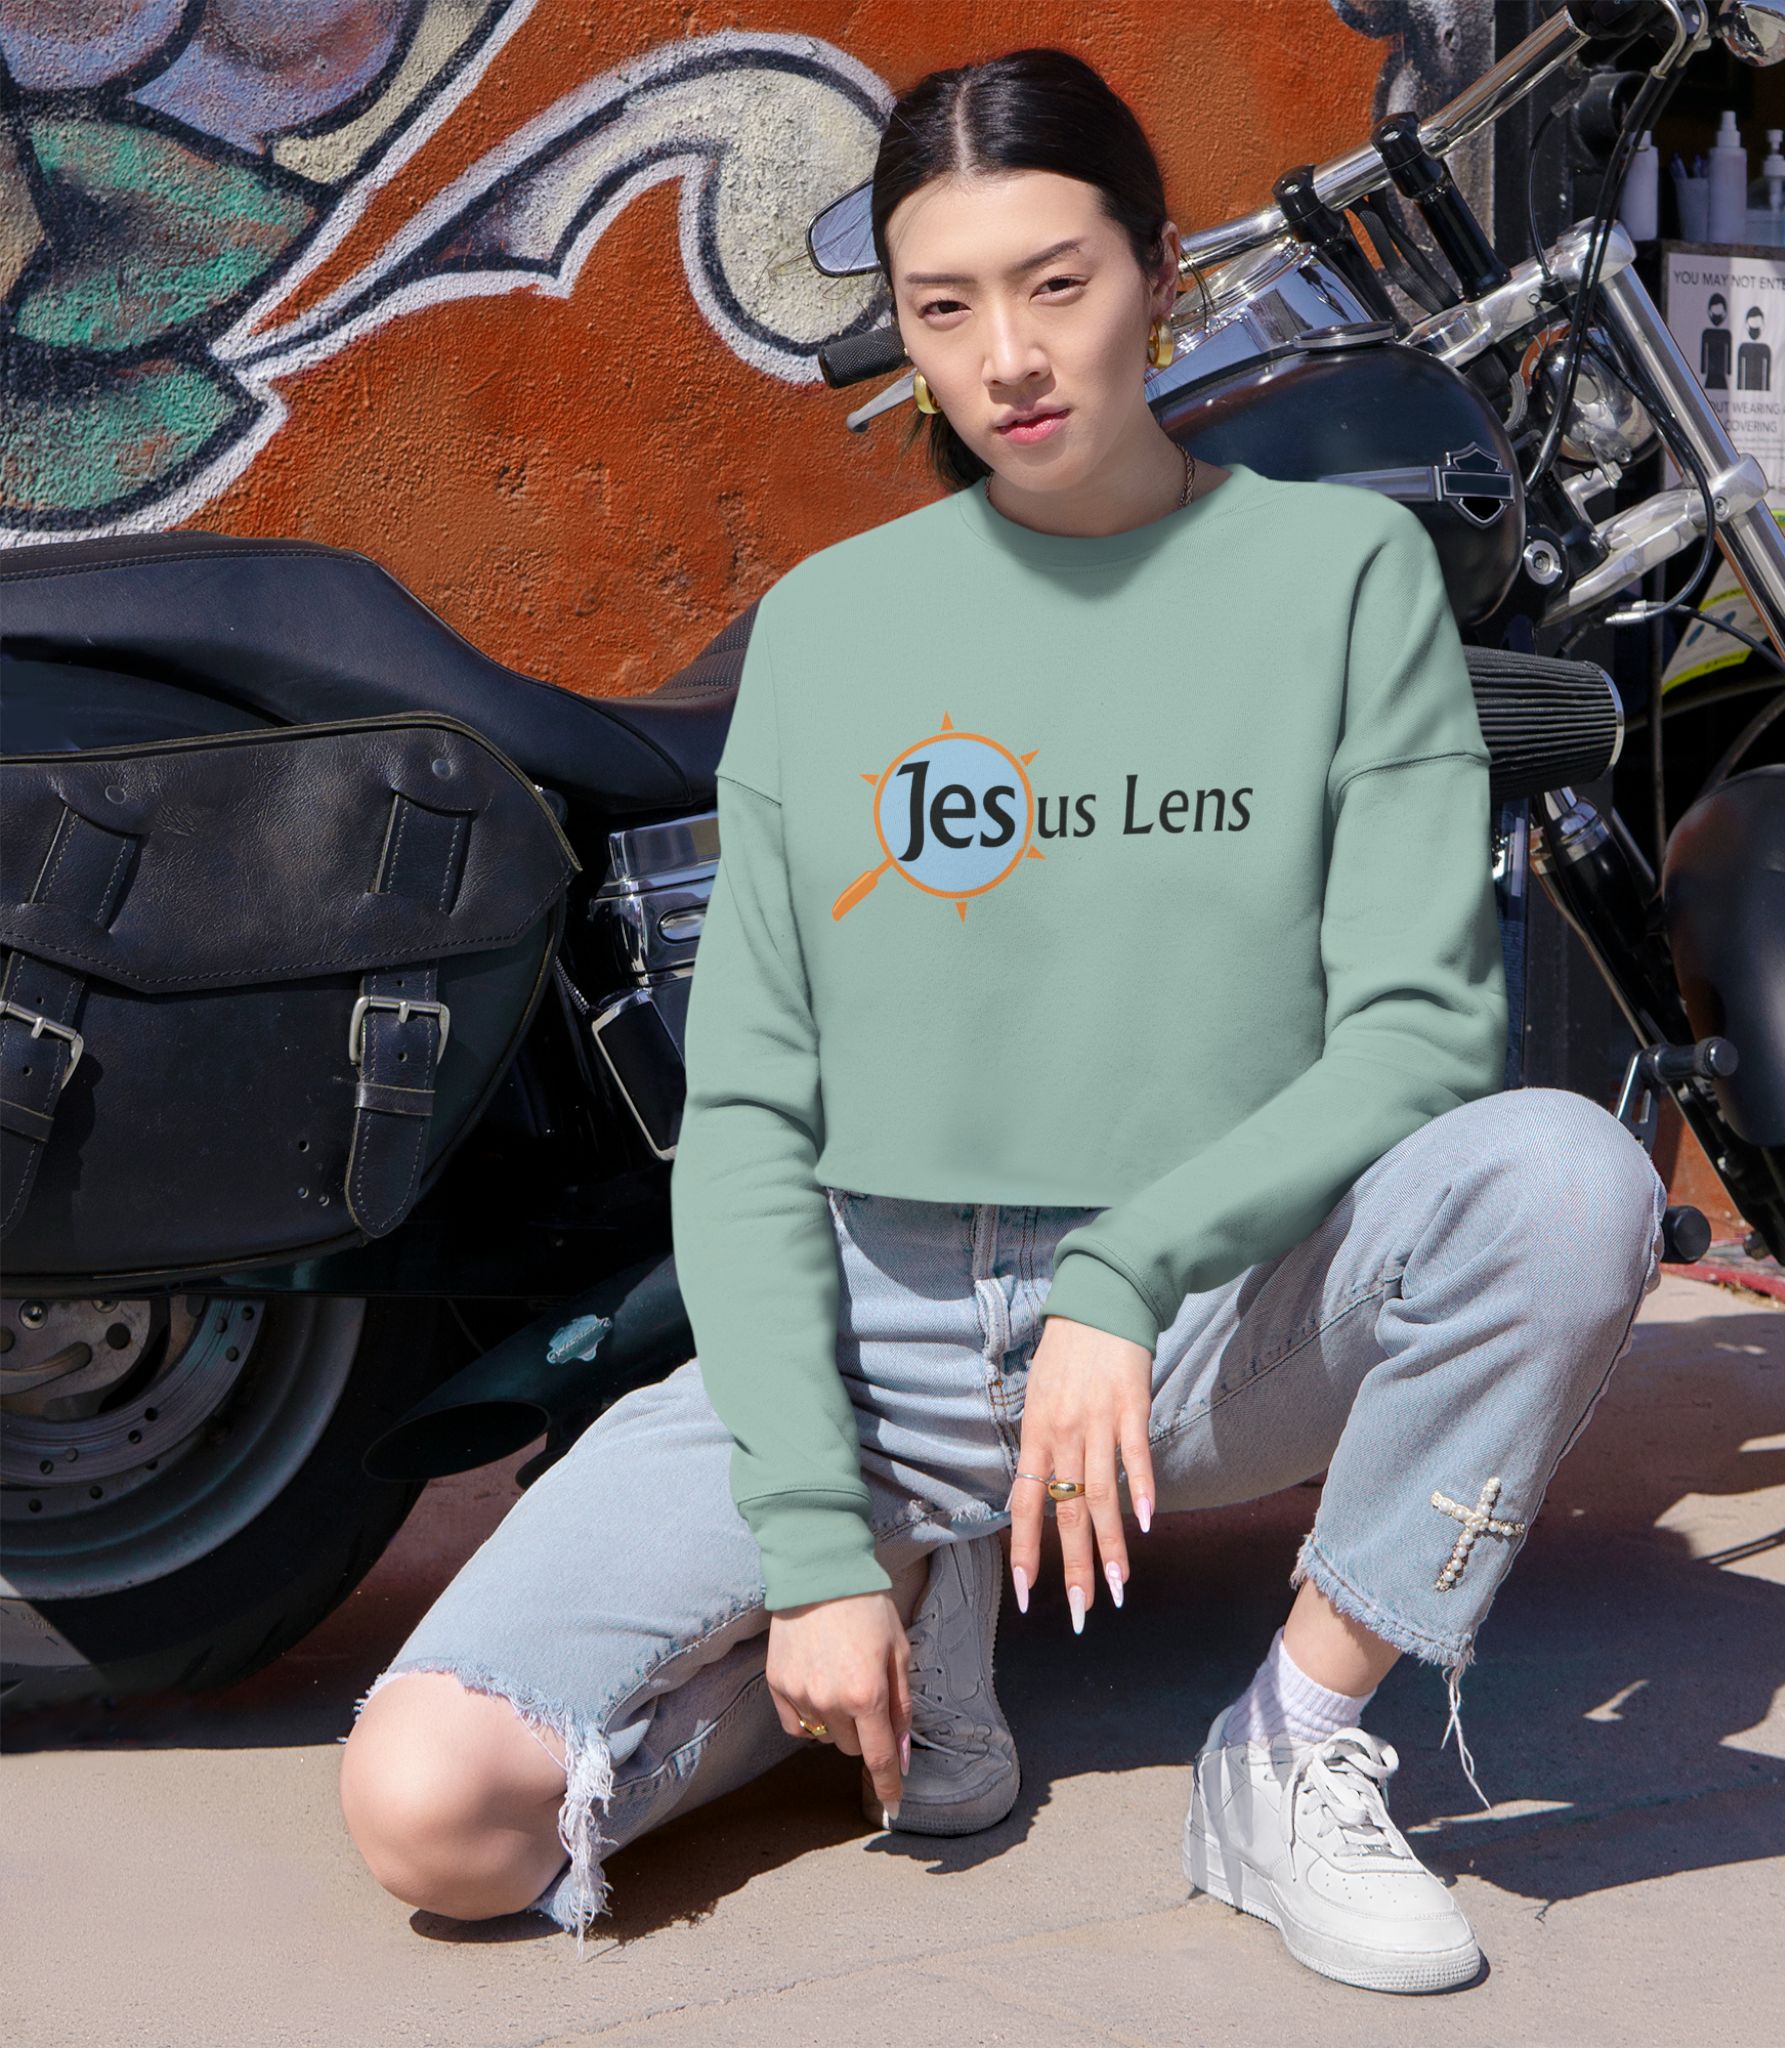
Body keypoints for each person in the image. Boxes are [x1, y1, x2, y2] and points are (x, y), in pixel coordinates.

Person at [337, 46, 1668, 1997]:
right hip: (876, 1337)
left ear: (1156, 271)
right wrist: (811, 1543)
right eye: (944, 306)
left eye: (1057, 283)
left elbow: (1418, 1035)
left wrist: (1127, 1272)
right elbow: (755, 1113)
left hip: (1207, 1320)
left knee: (1568, 1181)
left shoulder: (1340, 581)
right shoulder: (837, 631)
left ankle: (1292, 1746)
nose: (1010, 359)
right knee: (436, 1815)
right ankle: (894, 1612)